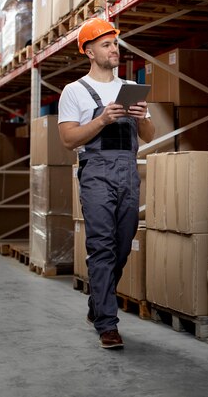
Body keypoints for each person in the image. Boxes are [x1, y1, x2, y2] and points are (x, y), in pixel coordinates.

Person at [57, 18, 155, 349]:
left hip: (128, 171)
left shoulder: (130, 88)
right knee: (102, 245)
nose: (114, 49)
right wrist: (102, 119)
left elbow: (150, 135)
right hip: (96, 172)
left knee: (123, 243)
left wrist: (141, 118)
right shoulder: (74, 91)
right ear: (88, 51)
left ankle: (96, 303)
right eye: (106, 44)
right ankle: (107, 324)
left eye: (115, 44)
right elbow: (68, 140)